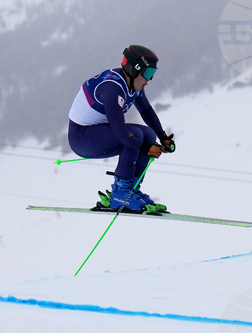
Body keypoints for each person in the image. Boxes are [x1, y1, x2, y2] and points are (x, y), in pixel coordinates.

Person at [67, 44, 176, 212]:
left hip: (96, 132)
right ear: (134, 70)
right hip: (81, 138)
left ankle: (131, 190)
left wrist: (163, 137)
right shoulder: (113, 88)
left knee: (147, 134)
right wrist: (145, 148)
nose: (149, 80)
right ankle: (120, 194)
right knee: (135, 136)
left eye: (152, 74)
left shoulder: (132, 84)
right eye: (147, 74)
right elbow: (119, 131)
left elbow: (146, 110)